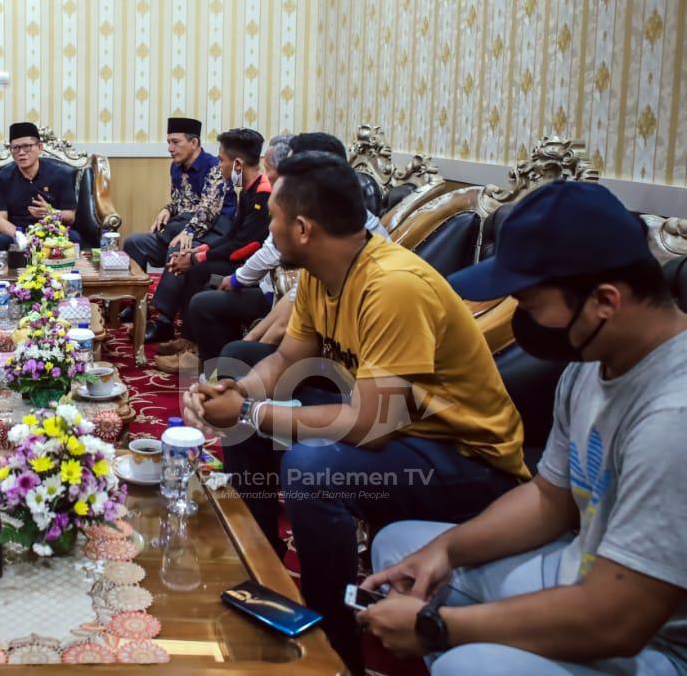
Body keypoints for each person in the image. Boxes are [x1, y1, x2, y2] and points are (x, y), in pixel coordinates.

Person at [186, 152, 528, 672]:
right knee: (252, 419)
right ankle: (264, 576)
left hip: (467, 461)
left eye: (274, 217)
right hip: (402, 429)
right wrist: (234, 392)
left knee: (311, 467)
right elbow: (285, 359)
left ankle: (331, 646)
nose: (269, 228)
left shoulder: (392, 285)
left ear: (303, 228)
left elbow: (371, 425)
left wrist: (250, 411)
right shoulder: (321, 272)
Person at [360, 181, 687, 676]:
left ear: (604, 301)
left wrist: (438, 627)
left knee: (467, 665)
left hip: (651, 641)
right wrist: (446, 549)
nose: (521, 319)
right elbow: (548, 498)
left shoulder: (672, 415)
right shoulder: (591, 362)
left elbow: (619, 620)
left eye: (529, 304)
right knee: (401, 552)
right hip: (580, 572)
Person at [187, 132, 391, 367]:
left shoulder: (388, 283)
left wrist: (246, 386)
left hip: (339, 375)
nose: (271, 227)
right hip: (323, 360)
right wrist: (246, 351)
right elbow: (287, 335)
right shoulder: (319, 262)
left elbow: (374, 395)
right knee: (236, 350)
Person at [146, 128, 271, 350]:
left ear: (238, 164)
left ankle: (193, 345)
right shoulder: (247, 191)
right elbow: (232, 236)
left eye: (222, 160)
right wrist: (199, 251)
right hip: (242, 255)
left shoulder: (263, 193)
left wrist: (198, 258)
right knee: (194, 263)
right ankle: (187, 339)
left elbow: (247, 245)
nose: (219, 166)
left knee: (198, 268)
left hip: (255, 268)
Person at [123, 117, 236, 272]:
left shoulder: (215, 167)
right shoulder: (176, 166)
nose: (170, 148)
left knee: (178, 248)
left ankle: (169, 289)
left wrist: (189, 231)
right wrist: (167, 209)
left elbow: (209, 210)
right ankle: (138, 285)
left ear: (194, 143)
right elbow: (181, 202)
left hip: (213, 231)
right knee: (133, 242)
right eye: (169, 142)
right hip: (182, 227)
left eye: (175, 142)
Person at [0, 121, 80, 251]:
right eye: (15, 148)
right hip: (17, 232)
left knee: (73, 237)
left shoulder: (61, 175)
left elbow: (70, 217)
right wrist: (19, 235)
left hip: (50, 230)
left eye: (27, 146)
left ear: (40, 147)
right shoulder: (2, 178)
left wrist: (51, 212)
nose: (21, 153)